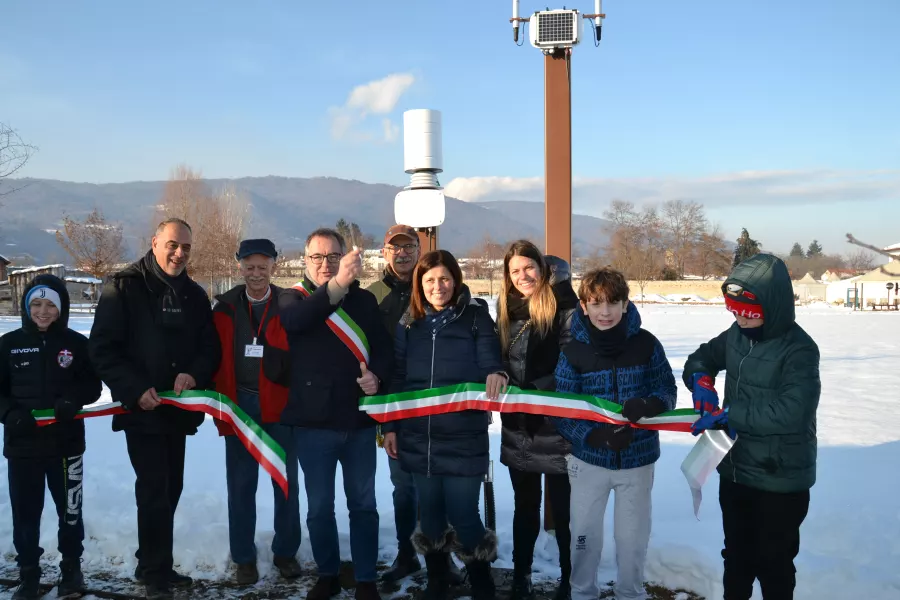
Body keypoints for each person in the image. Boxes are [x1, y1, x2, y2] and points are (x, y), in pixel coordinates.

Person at [89, 218, 221, 600]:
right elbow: (102, 349)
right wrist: (133, 389)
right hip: (141, 409)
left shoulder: (195, 295)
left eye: (186, 248)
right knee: (153, 489)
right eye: (173, 245)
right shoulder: (124, 287)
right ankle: (153, 573)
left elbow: (209, 348)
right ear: (154, 242)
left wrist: (194, 375)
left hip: (177, 412)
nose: (179, 254)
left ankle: (156, 562)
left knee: (171, 487)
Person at [684, 253, 820, 600]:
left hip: (779, 479)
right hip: (736, 472)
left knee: (773, 565)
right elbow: (703, 356)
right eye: (734, 311)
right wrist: (700, 380)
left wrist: (731, 415)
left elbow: (793, 411)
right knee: (737, 560)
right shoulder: (736, 335)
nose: (740, 320)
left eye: (748, 313)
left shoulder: (800, 350)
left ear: (771, 307)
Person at [382, 249, 506, 600]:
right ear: (421, 284)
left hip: (464, 435)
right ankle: (437, 583)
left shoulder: (476, 318)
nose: (439, 286)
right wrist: (391, 426)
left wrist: (496, 373)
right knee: (431, 516)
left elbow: (489, 361)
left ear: (456, 280)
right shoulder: (409, 324)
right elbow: (400, 377)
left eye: (445, 279)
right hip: (419, 435)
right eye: (430, 280)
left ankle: (482, 585)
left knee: (464, 513)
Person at [277, 228, 393, 600]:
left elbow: (385, 350)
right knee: (319, 509)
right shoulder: (291, 299)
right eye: (317, 257)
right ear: (305, 260)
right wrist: (339, 284)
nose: (325, 264)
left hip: (358, 422)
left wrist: (378, 376)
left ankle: (364, 579)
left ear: (344, 257)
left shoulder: (364, 302)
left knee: (363, 506)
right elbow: (297, 323)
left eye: (333, 257)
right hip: (314, 425)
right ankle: (327, 572)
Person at [552, 267, 677, 600]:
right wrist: (596, 437)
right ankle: (581, 593)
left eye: (612, 303)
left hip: (637, 462)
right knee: (584, 537)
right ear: (583, 306)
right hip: (589, 462)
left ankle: (630, 593)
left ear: (625, 304)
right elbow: (562, 411)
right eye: (596, 303)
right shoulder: (572, 352)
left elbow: (667, 389)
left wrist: (650, 403)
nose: (604, 312)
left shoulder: (646, 344)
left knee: (632, 540)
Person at [0, 275, 102, 600]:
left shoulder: (76, 344)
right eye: (36, 304)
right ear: (26, 306)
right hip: (23, 448)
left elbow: (92, 386)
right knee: (26, 516)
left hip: (66, 446)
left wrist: (73, 399)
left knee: (70, 513)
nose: (43, 312)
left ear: (62, 309)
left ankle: (71, 571)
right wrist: (9, 414)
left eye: (50, 306)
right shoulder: (8, 343)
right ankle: (28, 574)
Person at [210, 238, 302, 585]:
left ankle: (286, 552)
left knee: (285, 483)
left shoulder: (289, 304)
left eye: (263, 267)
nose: (256, 273)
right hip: (240, 405)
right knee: (241, 485)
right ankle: (244, 557)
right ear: (239, 267)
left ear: (274, 267)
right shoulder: (225, 308)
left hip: (280, 405)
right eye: (249, 267)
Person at [495, 242, 578, 600]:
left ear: (542, 269)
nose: (523, 276)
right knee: (524, 504)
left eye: (529, 268)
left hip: (558, 423)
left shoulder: (564, 306)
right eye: (515, 271)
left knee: (563, 508)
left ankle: (568, 577)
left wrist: (536, 388)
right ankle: (521, 573)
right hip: (519, 423)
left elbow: (573, 358)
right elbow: (496, 356)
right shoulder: (503, 311)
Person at [365, 224, 428, 582]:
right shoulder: (371, 296)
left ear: (418, 250)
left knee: (437, 482)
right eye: (395, 248)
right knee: (404, 486)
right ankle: (407, 554)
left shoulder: (434, 285)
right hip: (394, 404)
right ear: (384, 252)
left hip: (435, 400)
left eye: (408, 247)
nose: (402, 254)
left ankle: (439, 554)